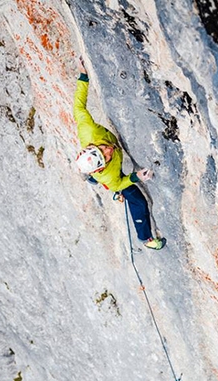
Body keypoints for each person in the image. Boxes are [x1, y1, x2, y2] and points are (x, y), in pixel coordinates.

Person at [73, 57, 166, 250]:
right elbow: (120, 182)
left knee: (105, 181)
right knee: (138, 201)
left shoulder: (87, 130)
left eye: (102, 148)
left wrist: (83, 75)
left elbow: (79, 106)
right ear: (102, 166)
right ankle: (146, 239)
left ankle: (87, 176)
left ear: (91, 146)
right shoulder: (107, 175)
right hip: (110, 178)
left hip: (99, 171)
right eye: (106, 156)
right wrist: (136, 176)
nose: (108, 150)